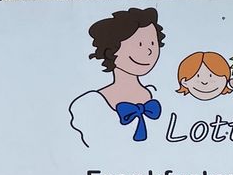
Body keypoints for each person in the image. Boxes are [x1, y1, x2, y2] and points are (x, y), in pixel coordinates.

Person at [68, 8, 166, 148]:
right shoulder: (90, 105)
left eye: (152, 43)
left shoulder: (157, 94)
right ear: (112, 49)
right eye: (139, 44)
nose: (149, 51)